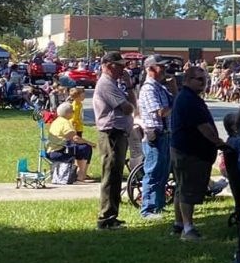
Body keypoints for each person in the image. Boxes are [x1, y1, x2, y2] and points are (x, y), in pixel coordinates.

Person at [170, 65, 226, 240]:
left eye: (206, 80)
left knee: (181, 189)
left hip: (185, 150)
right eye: (199, 80)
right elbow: (204, 128)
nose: (204, 83)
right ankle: (188, 228)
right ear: (188, 80)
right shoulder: (188, 99)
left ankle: (179, 224)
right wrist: (219, 143)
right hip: (189, 151)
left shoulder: (190, 97)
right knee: (188, 190)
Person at [92, 52, 133, 231]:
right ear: (109, 65)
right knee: (110, 174)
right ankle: (106, 218)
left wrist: (130, 86)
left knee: (116, 174)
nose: (123, 69)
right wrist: (129, 103)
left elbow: (132, 106)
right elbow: (127, 108)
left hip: (118, 132)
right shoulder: (106, 84)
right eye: (120, 65)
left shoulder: (114, 84)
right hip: (111, 133)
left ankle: (112, 215)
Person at [137, 55, 173, 220]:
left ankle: (158, 205)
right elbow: (160, 112)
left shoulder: (160, 87)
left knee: (163, 172)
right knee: (152, 172)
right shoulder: (148, 89)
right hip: (155, 135)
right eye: (161, 67)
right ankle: (148, 209)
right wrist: (174, 104)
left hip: (165, 134)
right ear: (150, 69)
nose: (165, 70)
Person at [46, 103, 95, 184]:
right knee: (86, 148)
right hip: (58, 153)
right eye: (72, 111)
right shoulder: (65, 123)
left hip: (51, 151)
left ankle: (79, 174)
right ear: (68, 113)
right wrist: (91, 143)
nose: (73, 113)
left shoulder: (56, 121)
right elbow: (75, 138)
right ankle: (80, 176)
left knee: (81, 148)